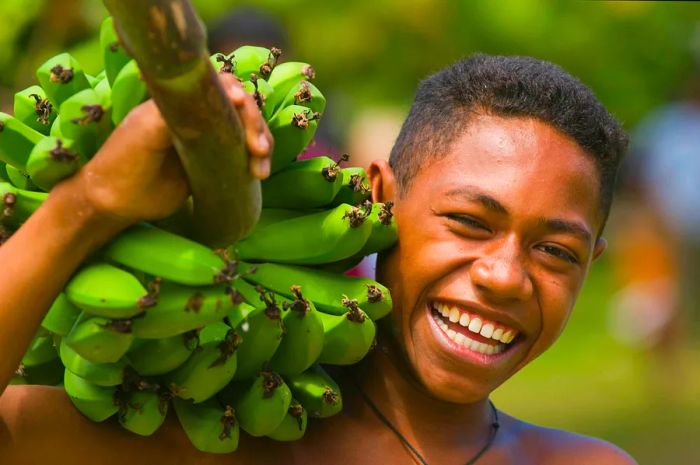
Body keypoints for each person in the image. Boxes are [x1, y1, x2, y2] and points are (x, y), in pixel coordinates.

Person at [0, 54, 637, 464]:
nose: (503, 276)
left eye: (555, 250)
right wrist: (87, 207)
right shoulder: (214, 434)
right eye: (470, 223)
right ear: (379, 197)